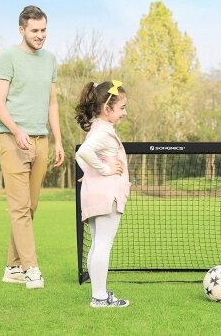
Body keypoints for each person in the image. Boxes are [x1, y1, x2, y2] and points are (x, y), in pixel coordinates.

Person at [0, 5, 64, 289]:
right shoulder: (6, 57)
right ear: (21, 29)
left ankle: (12, 267)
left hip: (41, 140)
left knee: (30, 206)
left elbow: (52, 103)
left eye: (44, 30)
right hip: (12, 139)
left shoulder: (49, 60)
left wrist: (58, 139)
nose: (40, 35)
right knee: (20, 207)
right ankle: (31, 269)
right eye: (34, 30)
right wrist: (16, 130)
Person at [75, 80, 131, 308]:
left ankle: (99, 293)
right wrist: (105, 169)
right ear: (107, 109)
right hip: (107, 197)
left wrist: (92, 172)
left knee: (98, 243)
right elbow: (84, 152)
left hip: (95, 195)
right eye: (122, 108)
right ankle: (98, 297)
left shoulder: (99, 129)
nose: (124, 113)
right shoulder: (104, 132)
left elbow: (81, 157)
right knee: (103, 244)